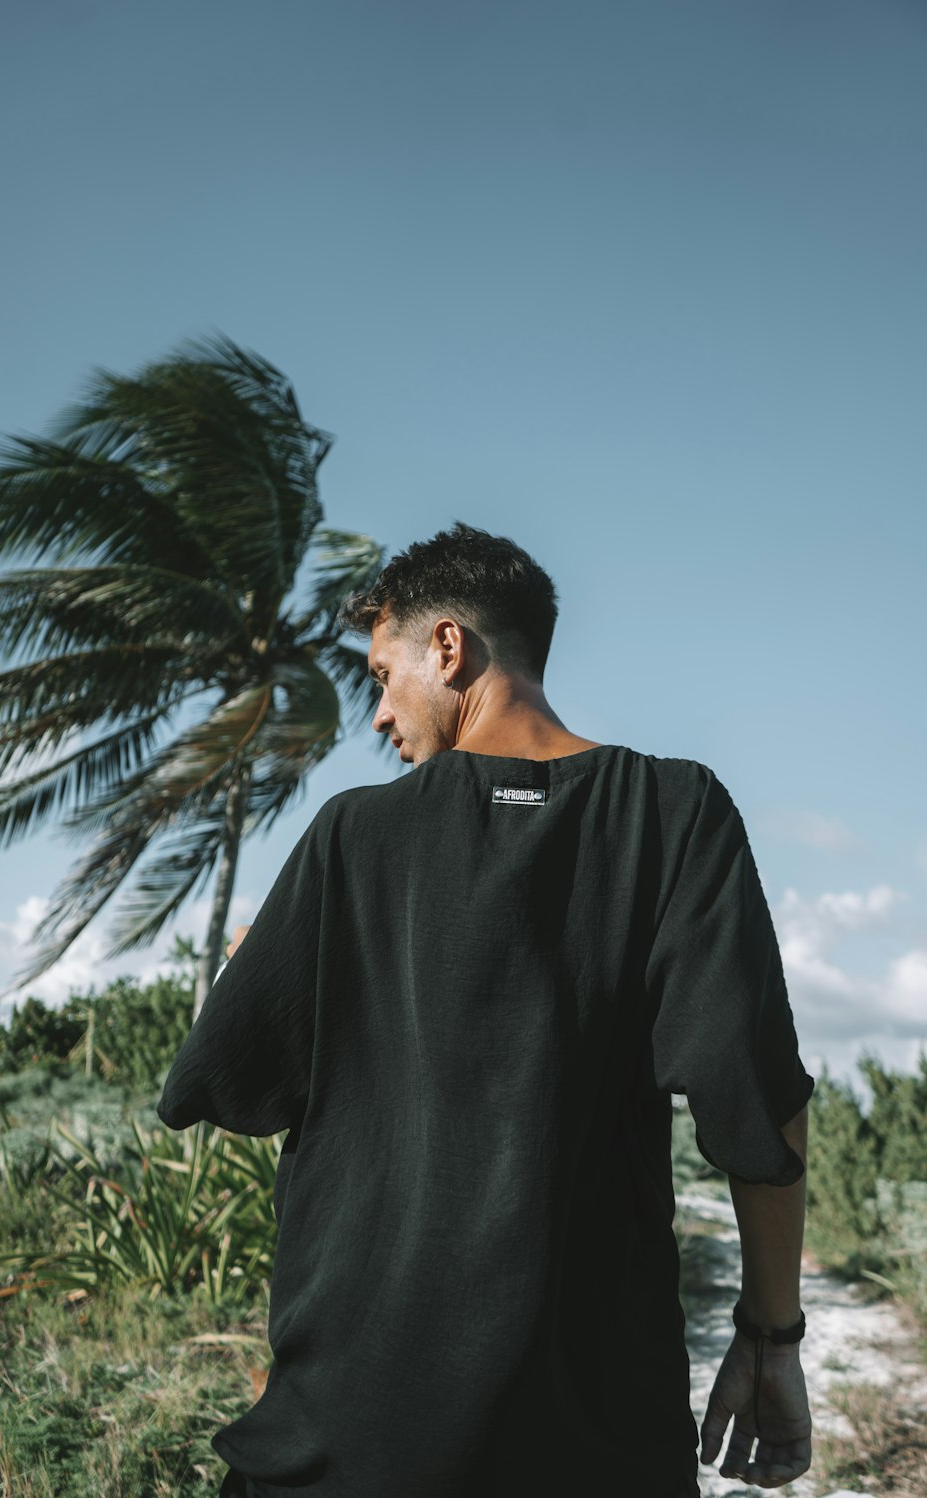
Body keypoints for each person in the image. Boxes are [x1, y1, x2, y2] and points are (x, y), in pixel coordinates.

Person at [157, 522, 814, 1497]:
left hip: (347, 1434)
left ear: (449, 648)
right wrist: (770, 1334)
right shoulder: (677, 815)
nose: (378, 716)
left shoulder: (352, 840)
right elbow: (758, 1107)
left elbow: (225, 1079)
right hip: (593, 1436)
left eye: (383, 675)